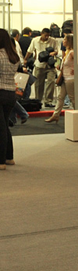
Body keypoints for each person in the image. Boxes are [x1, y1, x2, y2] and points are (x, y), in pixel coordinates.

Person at [0, 28, 20, 169]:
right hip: (11, 93)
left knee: (0, 128)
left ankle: (1, 161)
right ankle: (9, 157)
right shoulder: (14, 56)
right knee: (4, 126)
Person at [24, 27, 58, 106]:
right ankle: (38, 100)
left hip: (50, 65)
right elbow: (30, 50)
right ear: (41, 34)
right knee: (39, 84)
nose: (47, 37)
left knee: (51, 81)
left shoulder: (53, 41)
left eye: (48, 36)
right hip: (39, 65)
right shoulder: (35, 40)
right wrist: (25, 59)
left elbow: (56, 51)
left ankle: (48, 101)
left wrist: (53, 53)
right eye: (45, 35)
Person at [46, 34, 75, 124]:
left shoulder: (72, 52)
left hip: (70, 78)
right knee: (60, 97)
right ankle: (55, 115)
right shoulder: (67, 52)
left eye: (65, 39)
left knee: (72, 97)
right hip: (65, 77)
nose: (63, 41)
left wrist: (75, 70)